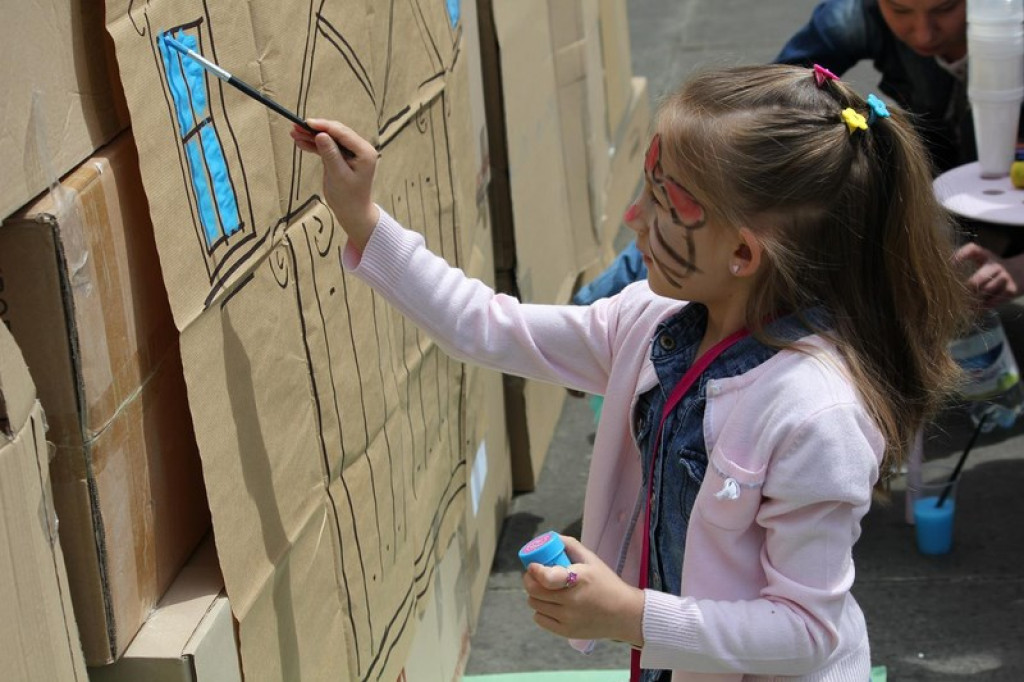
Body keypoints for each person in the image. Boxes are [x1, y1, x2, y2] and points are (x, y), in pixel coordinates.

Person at [292, 64, 969, 681]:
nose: (632, 218)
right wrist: (363, 218)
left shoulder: (816, 415)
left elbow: (806, 633)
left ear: (741, 253)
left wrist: (630, 614)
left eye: (662, 202)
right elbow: (489, 327)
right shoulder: (648, 321)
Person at [574, 0, 1024, 307]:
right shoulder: (852, 18)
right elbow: (757, 117)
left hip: (1006, 191)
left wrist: (1017, 270)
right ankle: (590, 309)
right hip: (937, 161)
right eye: (900, 10)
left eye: (945, 9)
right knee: (713, 190)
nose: (923, 32)